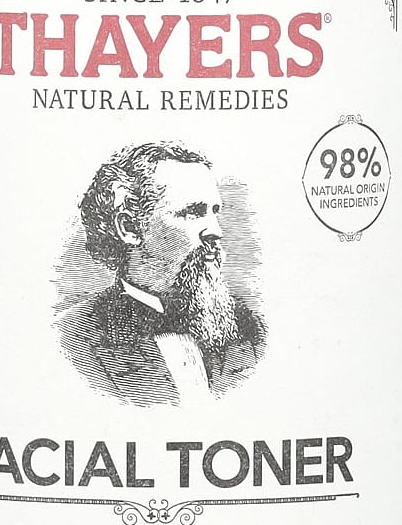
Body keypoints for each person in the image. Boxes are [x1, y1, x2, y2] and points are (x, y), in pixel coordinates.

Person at [59, 141, 265, 406]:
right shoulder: (73, 337)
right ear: (129, 228)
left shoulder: (248, 327)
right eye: (193, 212)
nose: (216, 231)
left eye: (215, 211)